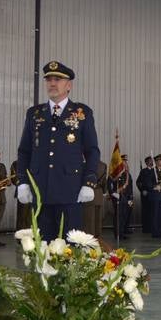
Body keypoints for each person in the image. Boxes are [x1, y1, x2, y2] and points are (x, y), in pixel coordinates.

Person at [15, 61, 101, 240]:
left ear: (68, 85)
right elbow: (24, 151)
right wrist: (22, 182)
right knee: (42, 247)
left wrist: (89, 182)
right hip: (40, 192)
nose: (52, 83)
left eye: (58, 79)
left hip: (70, 191)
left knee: (70, 247)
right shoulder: (34, 113)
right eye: (49, 80)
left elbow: (92, 151)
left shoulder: (81, 113)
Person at [110, 155, 134, 239]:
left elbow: (130, 188)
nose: (125, 163)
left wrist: (131, 198)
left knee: (124, 215)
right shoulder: (115, 174)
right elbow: (110, 186)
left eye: (126, 161)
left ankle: (122, 232)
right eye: (124, 161)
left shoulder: (127, 175)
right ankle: (118, 234)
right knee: (118, 216)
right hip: (118, 198)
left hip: (126, 199)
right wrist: (114, 194)